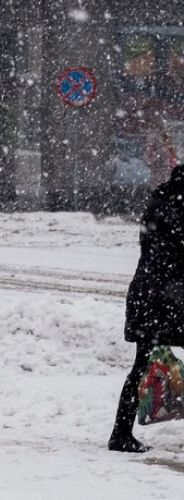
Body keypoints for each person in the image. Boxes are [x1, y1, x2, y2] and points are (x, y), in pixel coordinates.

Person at [109, 163, 184, 453]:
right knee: (141, 366)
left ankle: (120, 433)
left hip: (151, 297)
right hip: (166, 300)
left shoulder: (160, 203)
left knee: (141, 365)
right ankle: (119, 435)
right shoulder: (173, 211)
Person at [144, 121, 178, 190]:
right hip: (165, 177)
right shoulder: (165, 141)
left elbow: (148, 160)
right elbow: (148, 160)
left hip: (161, 177)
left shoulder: (155, 138)